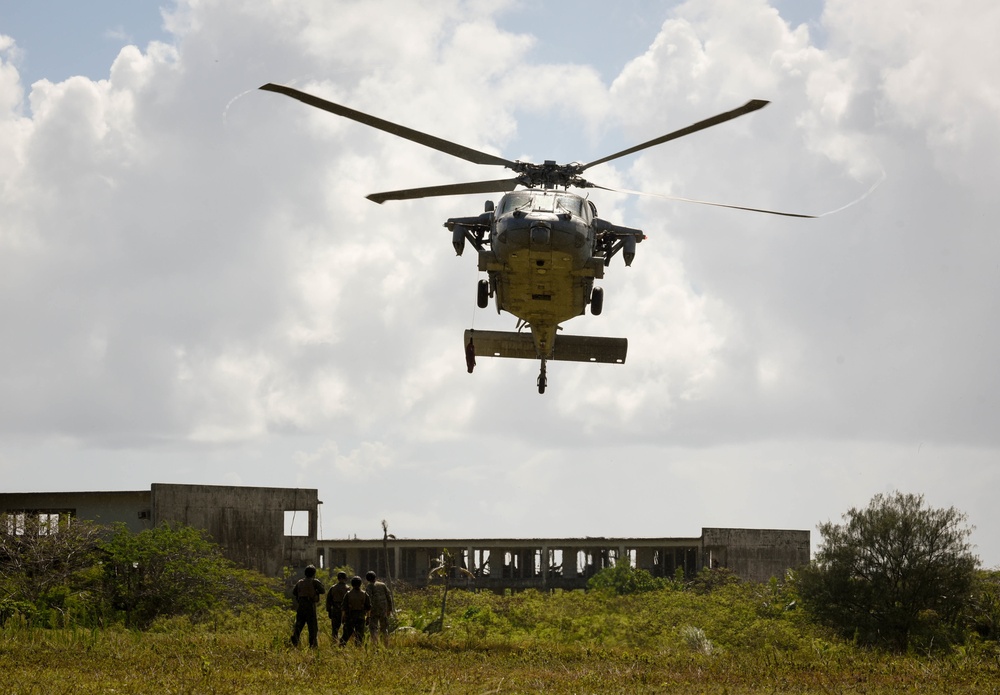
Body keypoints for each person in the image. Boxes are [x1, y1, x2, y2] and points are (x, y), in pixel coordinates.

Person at [290, 565, 325, 648]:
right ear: (313, 573)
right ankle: (313, 645)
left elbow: (294, 592)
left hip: (301, 605)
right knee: (312, 627)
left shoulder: (300, 582)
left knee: (299, 624)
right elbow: (322, 590)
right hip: (310, 605)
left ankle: (295, 639)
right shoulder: (314, 582)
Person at [340, 575, 371, 646]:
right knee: (359, 635)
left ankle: (341, 647)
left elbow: (344, 607)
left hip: (350, 616)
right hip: (361, 617)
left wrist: (343, 617)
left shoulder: (348, 594)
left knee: (346, 635)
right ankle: (358, 649)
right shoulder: (364, 594)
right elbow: (368, 607)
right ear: (360, 584)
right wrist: (368, 618)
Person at [365, 570, 394, 646]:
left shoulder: (369, 587)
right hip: (383, 610)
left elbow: (367, 600)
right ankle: (386, 644)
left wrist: (367, 612)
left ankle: (375, 645)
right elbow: (388, 597)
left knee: (373, 628)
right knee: (384, 628)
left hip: (373, 611)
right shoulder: (382, 585)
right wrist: (389, 609)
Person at [325, 571, 350, 643]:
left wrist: (329, 611)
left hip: (335, 610)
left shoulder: (333, 588)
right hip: (345, 611)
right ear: (345, 578)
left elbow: (328, 601)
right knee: (346, 628)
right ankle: (344, 643)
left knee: (335, 629)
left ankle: (334, 643)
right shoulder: (347, 588)